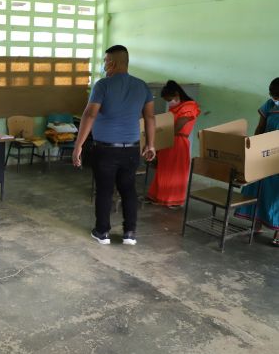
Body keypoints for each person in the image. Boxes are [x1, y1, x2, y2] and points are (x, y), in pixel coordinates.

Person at [72, 45, 156, 245]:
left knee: (104, 190)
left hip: (106, 149)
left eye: (104, 60)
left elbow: (90, 114)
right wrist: (150, 144)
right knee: (128, 189)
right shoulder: (142, 86)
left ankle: (102, 232)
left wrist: (78, 146)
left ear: (112, 62)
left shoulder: (103, 85)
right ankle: (130, 233)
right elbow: (150, 117)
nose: (103, 64)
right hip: (132, 149)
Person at [236, 77, 279, 246]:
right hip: (265, 154)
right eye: (273, 96)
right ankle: (257, 222)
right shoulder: (269, 105)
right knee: (259, 190)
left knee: (277, 196)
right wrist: (253, 146)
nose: (275, 99)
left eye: (278, 96)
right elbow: (261, 127)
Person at [147, 80, 201, 207]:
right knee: (164, 170)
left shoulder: (189, 106)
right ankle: (160, 196)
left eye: (170, 99)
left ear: (177, 94)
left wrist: (164, 135)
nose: (169, 102)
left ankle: (173, 200)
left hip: (177, 142)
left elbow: (180, 124)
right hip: (168, 140)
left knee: (175, 172)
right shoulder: (176, 108)